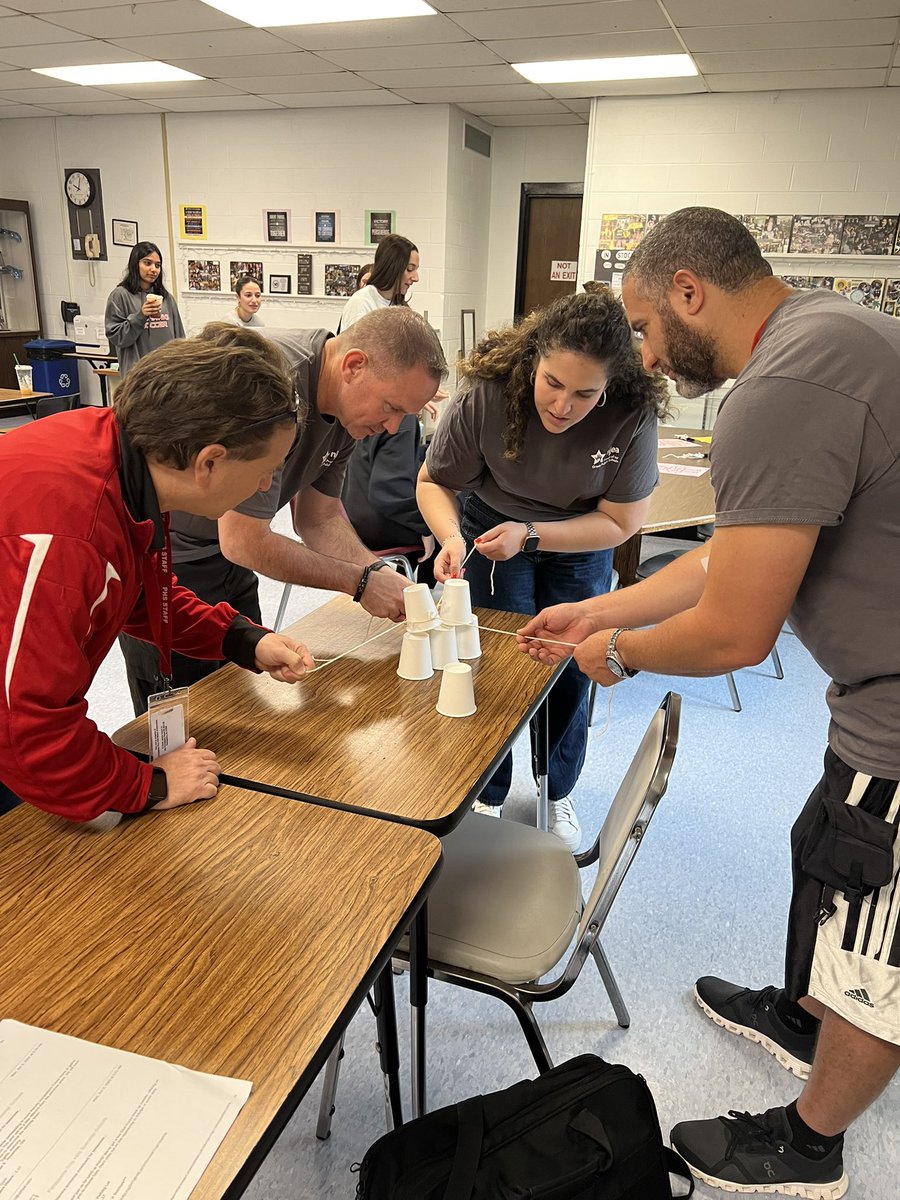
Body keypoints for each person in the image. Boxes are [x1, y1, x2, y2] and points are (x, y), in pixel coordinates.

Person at [519, 207, 900, 1197]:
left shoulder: (783, 387)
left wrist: (618, 653)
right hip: (872, 693)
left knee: (873, 932)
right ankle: (804, 1016)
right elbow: (731, 557)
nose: (644, 355)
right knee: (826, 846)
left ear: (690, 290)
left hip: (896, 710)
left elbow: (734, 632)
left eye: (647, 326)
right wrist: (599, 609)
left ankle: (810, 1147)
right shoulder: (824, 333)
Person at [0, 330, 314, 823]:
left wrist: (239, 639)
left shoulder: (120, 457)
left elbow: (139, 596)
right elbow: (26, 728)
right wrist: (148, 784)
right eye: (267, 469)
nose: (264, 486)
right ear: (209, 462)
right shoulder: (68, 533)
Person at [416, 291, 666, 849]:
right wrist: (452, 537)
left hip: (582, 537)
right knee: (491, 659)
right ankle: (487, 789)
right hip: (488, 527)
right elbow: (434, 482)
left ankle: (557, 790)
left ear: (610, 387)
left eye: (585, 394)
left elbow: (621, 522)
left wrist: (531, 534)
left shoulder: (631, 413)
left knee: (571, 665)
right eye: (552, 383)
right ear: (533, 360)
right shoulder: (487, 392)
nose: (562, 406)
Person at [119, 308, 447, 713]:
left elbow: (318, 519)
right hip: (167, 560)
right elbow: (243, 540)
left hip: (227, 563)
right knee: (184, 718)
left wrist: (376, 572)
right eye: (391, 407)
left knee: (242, 703)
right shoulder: (273, 386)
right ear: (354, 366)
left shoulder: (350, 413)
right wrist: (359, 583)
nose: (393, 427)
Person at [105, 241, 185, 377]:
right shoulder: (120, 296)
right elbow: (116, 337)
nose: (154, 269)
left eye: (158, 265)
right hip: (137, 376)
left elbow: (180, 339)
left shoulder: (167, 299)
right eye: (147, 263)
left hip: (167, 375)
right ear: (135, 264)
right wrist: (140, 316)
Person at [338, 234, 419, 330]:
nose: (416, 278)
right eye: (410, 269)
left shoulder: (399, 305)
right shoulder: (362, 303)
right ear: (392, 267)